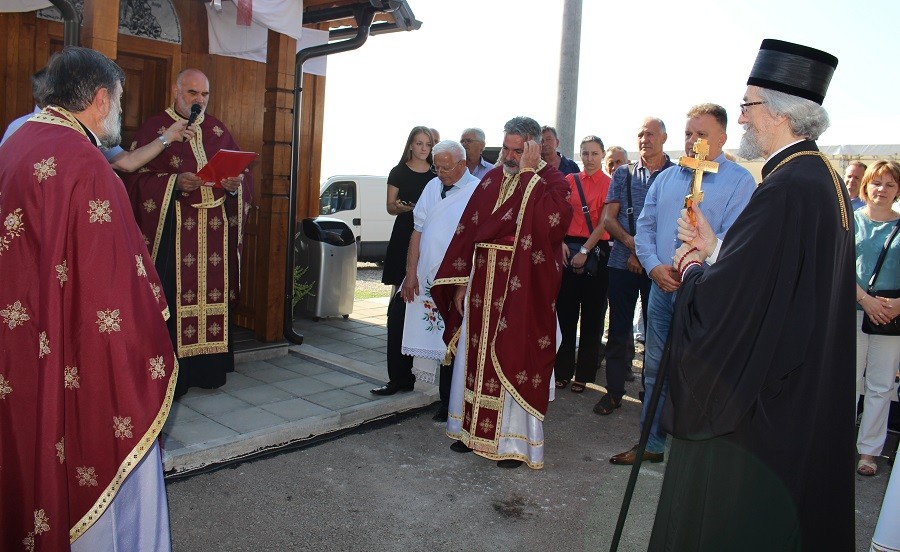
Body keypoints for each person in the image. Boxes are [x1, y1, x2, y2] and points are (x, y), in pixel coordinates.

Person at [650, 39, 856, 550]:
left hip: (768, 399)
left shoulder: (785, 187)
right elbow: (775, 276)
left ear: (780, 113)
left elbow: (730, 304)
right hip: (802, 381)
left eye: (747, 105)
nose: (741, 117)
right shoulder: (818, 177)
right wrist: (717, 248)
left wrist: (693, 267)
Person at [0, 46, 175, 552]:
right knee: (88, 442)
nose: (120, 111)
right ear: (100, 99)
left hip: (20, 337)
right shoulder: (86, 164)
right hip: (71, 348)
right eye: (119, 100)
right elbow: (115, 285)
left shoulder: (16, 141)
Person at [610, 104, 756, 464]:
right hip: (662, 287)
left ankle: (693, 453)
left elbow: (735, 239)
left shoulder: (740, 182)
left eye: (702, 134)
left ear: (722, 138)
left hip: (705, 294)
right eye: (689, 133)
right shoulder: (667, 178)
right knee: (655, 368)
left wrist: (693, 268)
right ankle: (651, 442)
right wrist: (654, 266)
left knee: (698, 373)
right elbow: (645, 227)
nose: (693, 141)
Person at [431, 116, 572, 469]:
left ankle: (511, 442)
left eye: (517, 151)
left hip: (521, 286)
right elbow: (468, 232)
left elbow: (549, 229)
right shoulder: (492, 178)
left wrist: (528, 175)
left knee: (513, 354)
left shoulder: (552, 182)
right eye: (506, 148)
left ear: (534, 147)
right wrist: (461, 281)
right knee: (474, 357)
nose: (509, 156)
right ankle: (469, 431)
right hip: (482, 282)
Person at [122, 68, 253, 398]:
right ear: (175, 91)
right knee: (173, 297)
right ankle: (175, 378)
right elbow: (132, 180)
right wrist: (174, 183)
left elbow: (243, 173)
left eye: (204, 94)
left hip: (215, 231)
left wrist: (234, 185)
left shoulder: (218, 129)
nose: (199, 100)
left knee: (213, 297)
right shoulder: (156, 128)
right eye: (192, 92)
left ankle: (209, 372)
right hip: (174, 231)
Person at [595, 118, 673, 416]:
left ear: (664, 138)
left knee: (657, 333)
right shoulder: (623, 173)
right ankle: (614, 392)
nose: (644, 139)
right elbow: (608, 219)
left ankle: (651, 394)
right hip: (620, 264)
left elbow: (677, 220)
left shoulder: (677, 173)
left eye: (650, 134)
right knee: (619, 330)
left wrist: (644, 256)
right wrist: (635, 247)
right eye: (641, 134)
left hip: (660, 268)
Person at [400, 140, 480, 421]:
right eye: (437, 167)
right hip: (425, 275)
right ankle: (416, 388)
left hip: (457, 278)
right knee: (423, 329)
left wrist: (465, 282)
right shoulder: (432, 187)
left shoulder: (477, 190)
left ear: (463, 164)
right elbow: (418, 231)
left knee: (454, 339)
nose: (441, 173)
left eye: (446, 168)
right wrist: (411, 273)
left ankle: (451, 404)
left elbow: (475, 240)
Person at [2, 67, 191, 170]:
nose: (119, 109)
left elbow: (127, 162)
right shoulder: (20, 128)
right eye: (117, 98)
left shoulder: (86, 129)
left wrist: (168, 137)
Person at [372, 126, 435, 395]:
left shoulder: (436, 175)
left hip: (429, 243)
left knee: (424, 308)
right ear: (410, 145)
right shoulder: (398, 171)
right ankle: (397, 377)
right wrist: (403, 207)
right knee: (398, 309)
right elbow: (390, 206)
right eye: (419, 143)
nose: (423, 148)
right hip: (403, 239)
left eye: (427, 144)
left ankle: (417, 372)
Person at [853, 160, 900, 477]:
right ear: (866, 185)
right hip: (852, 310)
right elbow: (836, 265)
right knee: (846, 381)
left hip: (890, 317)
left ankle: (868, 452)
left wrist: (898, 305)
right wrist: (864, 299)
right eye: (877, 182)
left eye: (890, 184)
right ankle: (833, 443)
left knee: (881, 386)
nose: (882, 189)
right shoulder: (850, 220)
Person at [555, 135, 611, 393]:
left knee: (593, 314)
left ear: (602, 155)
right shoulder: (569, 180)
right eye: (585, 153)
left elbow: (604, 222)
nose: (589, 158)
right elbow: (560, 214)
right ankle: (562, 370)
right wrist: (560, 242)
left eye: (594, 153)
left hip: (596, 250)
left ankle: (584, 374)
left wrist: (586, 250)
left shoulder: (609, 184)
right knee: (565, 312)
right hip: (568, 248)